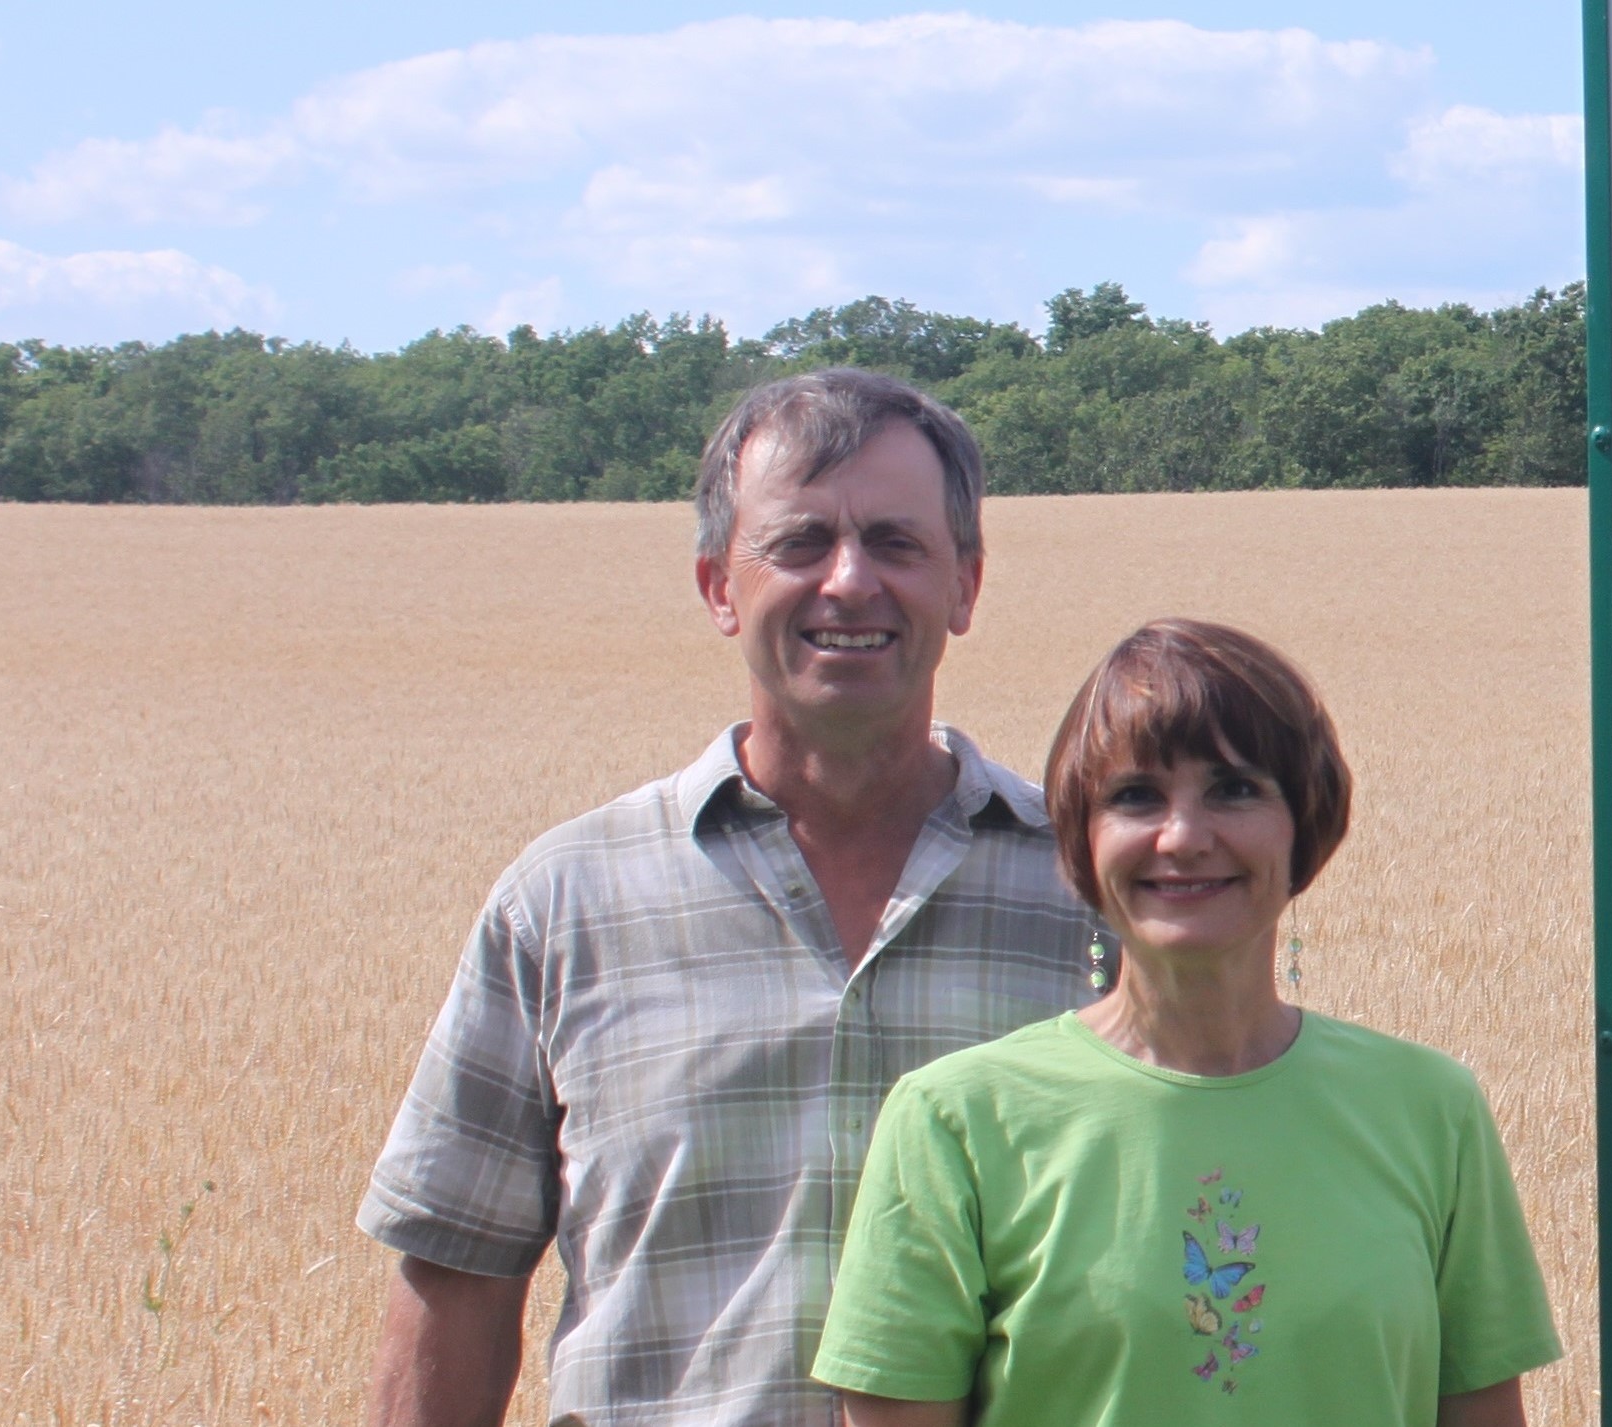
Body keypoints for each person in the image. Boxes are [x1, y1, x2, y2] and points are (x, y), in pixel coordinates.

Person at [358, 369, 1100, 1427]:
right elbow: (457, 1278)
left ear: (966, 584)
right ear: (718, 584)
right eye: (798, 542)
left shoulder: (1091, 898)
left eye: (895, 542)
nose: (848, 581)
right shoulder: (566, 903)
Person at [812, 619, 1561, 1427]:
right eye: (1136, 796)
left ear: (1305, 824)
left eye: (1234, 788)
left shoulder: (1431, 1113)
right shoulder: (953, 1122)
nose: (1184, 836)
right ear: (1081, 841)